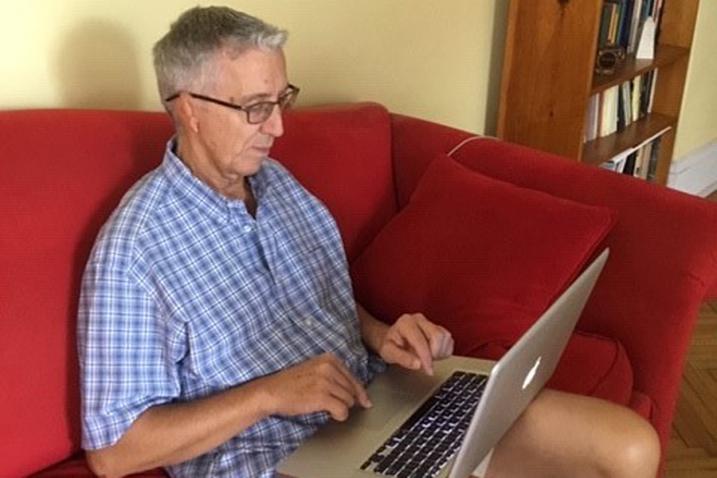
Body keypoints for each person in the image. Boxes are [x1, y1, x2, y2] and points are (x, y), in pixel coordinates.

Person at [78, 6, 660, 478]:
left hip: (376, 407)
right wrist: (267, 395)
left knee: (626, 446)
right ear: (189, 111)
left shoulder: (275, 182)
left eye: (282, 101)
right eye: (256, 108)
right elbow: (113, 452)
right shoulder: (135, 249)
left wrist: (383, 336)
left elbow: (321, 298)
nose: (279, 128)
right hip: (274, 459)